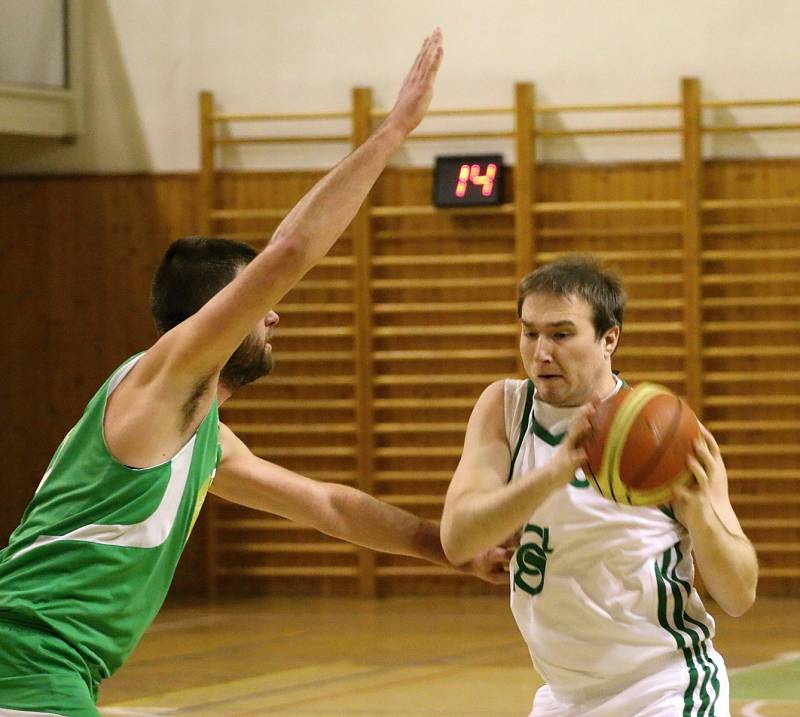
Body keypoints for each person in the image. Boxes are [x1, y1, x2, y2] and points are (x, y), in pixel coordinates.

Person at [0, 30, 508, 717]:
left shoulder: (197, 430)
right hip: (25, 666)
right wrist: (394, 131)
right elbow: (293, 247)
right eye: (261, 304)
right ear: (215, 314)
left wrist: (446, 547)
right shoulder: (163, 379)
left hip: (45, 671)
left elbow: (327, 505)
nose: (274, 318)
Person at [440, 254, 758, 717]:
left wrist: (702, 520)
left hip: (665, 689)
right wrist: (553, 472)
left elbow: (739, 596)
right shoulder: (505, 408)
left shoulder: (664, 436)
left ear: (609, 338)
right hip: (564, 696)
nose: (541, 352)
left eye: (561, 334)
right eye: (530, 332)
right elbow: (458, 538)